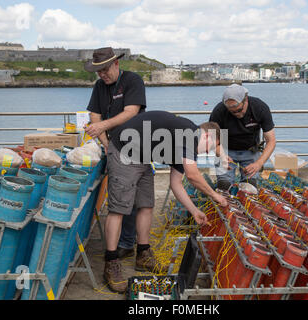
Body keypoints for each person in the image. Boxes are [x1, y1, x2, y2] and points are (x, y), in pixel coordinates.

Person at [103, 110, 228, 293]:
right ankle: (111, 262)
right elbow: (193, 176)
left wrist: (194, 210)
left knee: (146, 205)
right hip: (123, 151)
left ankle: (143, 255)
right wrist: (215, 195)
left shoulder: (184, 148)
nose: (205, 153)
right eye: (209, 148)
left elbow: (176, 184)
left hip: (142, 157)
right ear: (207, 135)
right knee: (119, 210)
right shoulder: (189, 134)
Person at [83, 47, 143, 262]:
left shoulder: (133, 80)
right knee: (120, 198)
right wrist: (106, 143)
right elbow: (94, 115)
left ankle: (128, 242)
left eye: (105, 70)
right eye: (98, 71)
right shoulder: (99, 86)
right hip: (115, 147)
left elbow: (131, 112)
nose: (102, 75)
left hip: (137, 145)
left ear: (116, 64)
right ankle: (124, 242)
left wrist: (101, 127)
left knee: (135, 199)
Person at [210, 84, 276, 190]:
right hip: (225, 150)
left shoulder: (259, 108)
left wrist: (259, 163)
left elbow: (271, 140)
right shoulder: (219, 111)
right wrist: (221, 155)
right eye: (232, 112)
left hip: (251, 150)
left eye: (239, 110)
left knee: (249, 187)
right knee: (224, 186)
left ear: (246, 100)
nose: (236, 113)